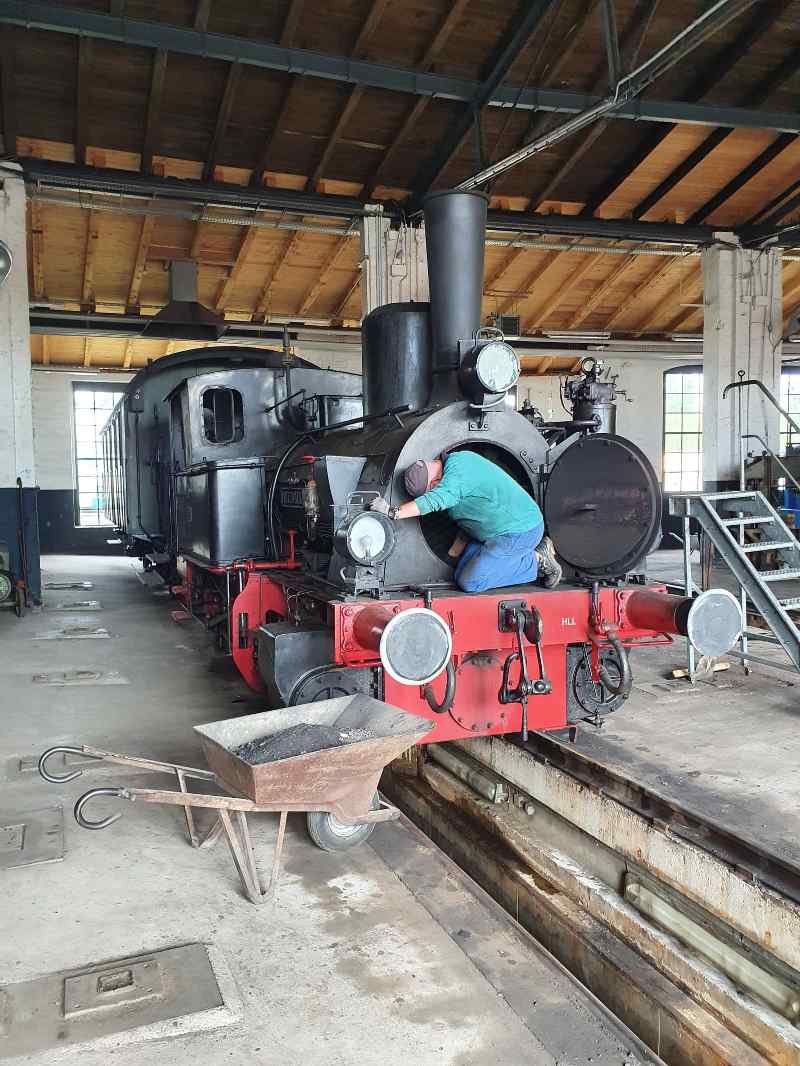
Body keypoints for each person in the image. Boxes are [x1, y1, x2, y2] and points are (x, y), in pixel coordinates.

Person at [370, 450, 562, 593]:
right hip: (491, 535)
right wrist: (452, 555)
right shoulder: (453, 475)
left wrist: (392, 512)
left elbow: (436, 500)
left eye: (430, 491)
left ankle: (537, 559)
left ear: (434, 484)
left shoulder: (459, 469)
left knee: (471, 582)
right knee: (459, 573)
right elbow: (468, 522)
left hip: (521, 530)